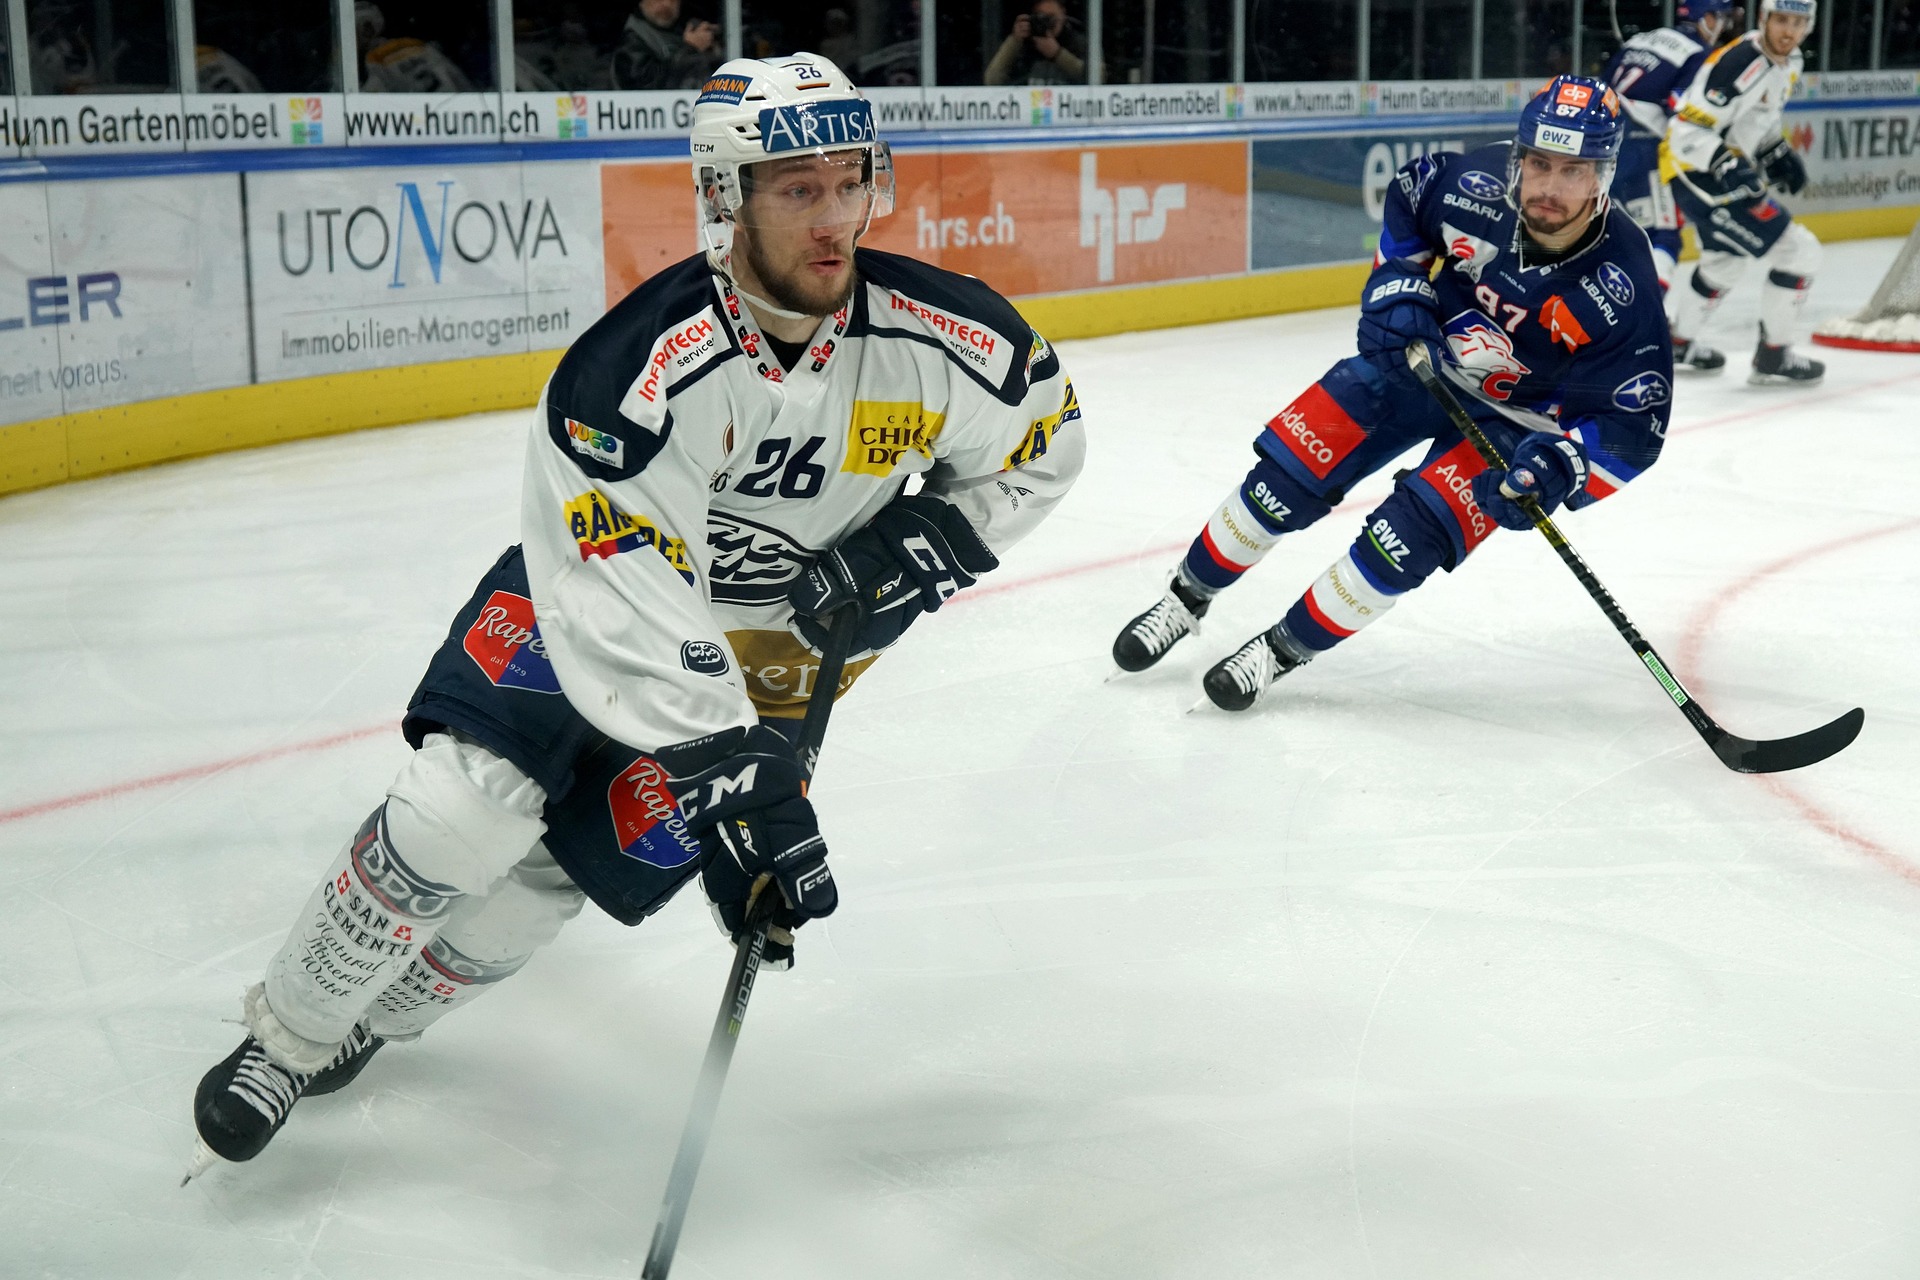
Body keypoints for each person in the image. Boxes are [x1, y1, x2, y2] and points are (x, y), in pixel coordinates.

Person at [186, 53, 1086, 1176]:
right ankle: (288, 1035)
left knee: (550, 883)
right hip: (582, 601)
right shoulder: (639, 367)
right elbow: (625, 582)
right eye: (796, 189)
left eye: (850, 182)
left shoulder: (948, 338)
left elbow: (1044, 444)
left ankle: (379, 1018)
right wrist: (737, 768)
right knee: (463, 810)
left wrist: (921, 544)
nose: (834, 220)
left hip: (767, 661)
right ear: (726, 198)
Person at [1111, 76, 1672, 712]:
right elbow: (1411, 191)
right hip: (1420, 363)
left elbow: (1635, 429)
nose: (1549, 185)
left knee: (1407, 538)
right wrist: (1398, 282)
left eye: (1572, 171)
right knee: (1284, 477)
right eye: (1539, 163)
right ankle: (1184, 600)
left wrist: (1563, 466)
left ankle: (1280, 650)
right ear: (1520, 156)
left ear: (1603, 175)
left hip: (1516, 421)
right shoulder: (1475, 185)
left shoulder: (1625, 278)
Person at [1663, 0, 1823, 384]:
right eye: (1781, 20)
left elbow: (1757, 118)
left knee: (1725, 262)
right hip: (1694, 170)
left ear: (1809, 25)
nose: (1789, 31)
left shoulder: (1792, 61)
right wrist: (1727, 165)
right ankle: (1773, 356)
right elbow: (1685, 132)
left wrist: (1774, 151)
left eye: (1798, 22)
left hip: (1714, 172)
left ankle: (1679, 342)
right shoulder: (1739, 63)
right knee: (1799, 252)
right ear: (1764, 18)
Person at [1601, 0, 1744, 351]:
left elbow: (1602, 89)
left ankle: (1600, 316)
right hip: (1644, 150)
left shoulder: (1640, 40)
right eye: (1718, 17)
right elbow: (1680, 108)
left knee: (1608, 237)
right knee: (1662, 236)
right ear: (1702, 17)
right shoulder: (1700, 55)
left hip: (1602, 148)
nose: (1722, 26)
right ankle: (1640, 324)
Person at [611, 0, 722, 90]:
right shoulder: (632, 39)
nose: (667, 4)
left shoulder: (684, 31)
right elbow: (649, 86)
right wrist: (690, 49)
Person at [984, 0, 1089, 86]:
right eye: (1042, 18)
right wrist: (1014, 41)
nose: (1048, 23)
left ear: (1063, 13)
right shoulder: (1025, 45)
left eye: (1051, 17)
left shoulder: (1078, 42)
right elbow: (992, 80)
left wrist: (1058, 54)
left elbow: (1094, 78)